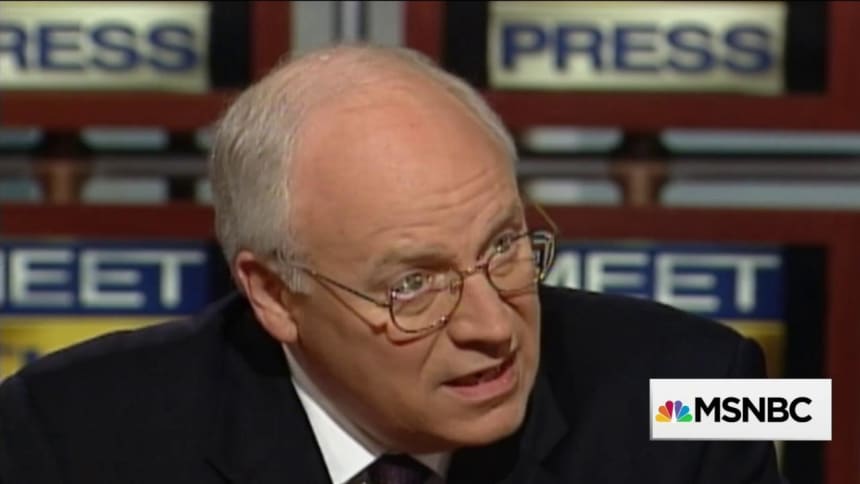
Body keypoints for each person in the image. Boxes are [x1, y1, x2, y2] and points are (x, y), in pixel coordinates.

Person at [0, 43, 781, 484]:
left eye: (504, 247)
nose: (490, 327)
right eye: (412, 285)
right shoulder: (63, 437)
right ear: (273, 293)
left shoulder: (707, 384)